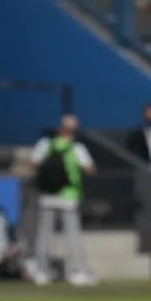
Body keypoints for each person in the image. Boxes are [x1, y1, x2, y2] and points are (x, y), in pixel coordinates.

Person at [26, 115, 97, 287]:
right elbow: (89, 169)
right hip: (68, 196)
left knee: (44, 234)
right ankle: (77, 271)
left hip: (47, 195)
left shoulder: (45, 144)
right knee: (72, 235)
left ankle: (41, 271)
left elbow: (34, 164)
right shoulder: (76, 148)